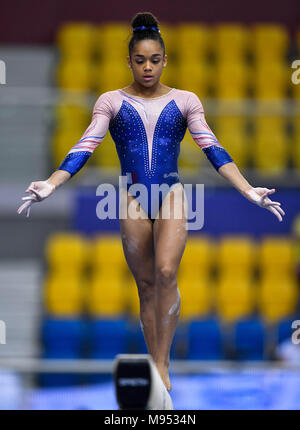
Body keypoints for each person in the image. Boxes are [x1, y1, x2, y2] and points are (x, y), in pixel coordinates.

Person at [17, 12, 285, 392]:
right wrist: (52, 183)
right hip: (131, 197)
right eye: (140, 60)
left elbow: (214, 149)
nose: (147, 67)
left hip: (172, 194)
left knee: (164, 273)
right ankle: (154, 357)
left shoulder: (185, 101)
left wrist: (247, 190)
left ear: (165, 60)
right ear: (129, 61)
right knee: (145, 284)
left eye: (154, 60)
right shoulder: (110, 101)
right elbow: (85, 145)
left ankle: (162, 361)